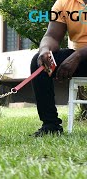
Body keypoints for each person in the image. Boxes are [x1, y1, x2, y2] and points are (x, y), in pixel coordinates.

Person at [30, 0, 87, 136]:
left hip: (80, 55)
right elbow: (52, 36)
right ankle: (51, 125)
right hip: (81, 59)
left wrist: (78, 55)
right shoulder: (64, 3)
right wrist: (45, 49)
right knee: (39, 62)